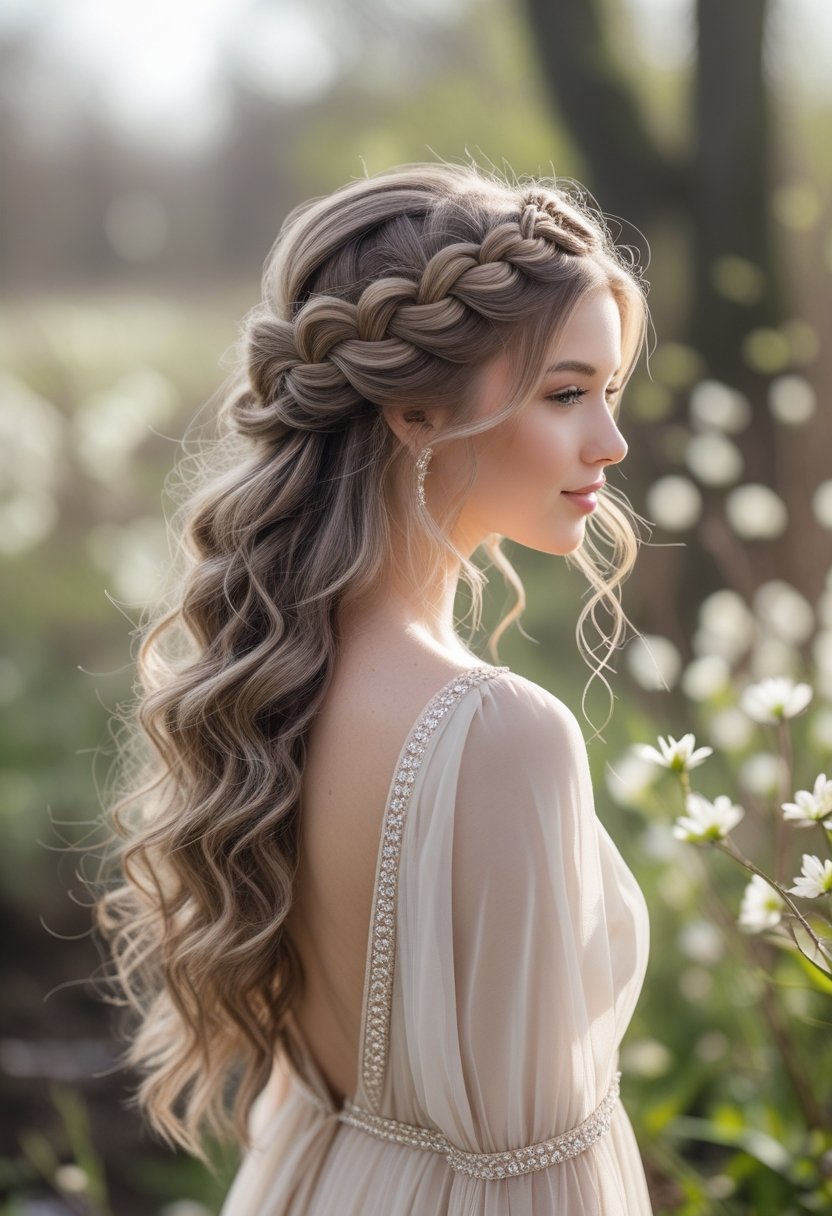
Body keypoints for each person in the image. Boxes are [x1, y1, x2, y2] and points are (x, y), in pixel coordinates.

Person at [94, 161, 654, 1213]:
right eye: (566, 392)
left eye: (609, 392)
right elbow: (543, 1177)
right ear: (413, 411)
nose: (609, 443)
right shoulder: (498, 733)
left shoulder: (272, 678)